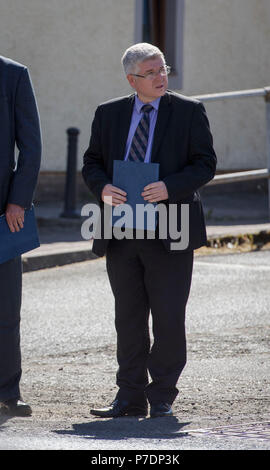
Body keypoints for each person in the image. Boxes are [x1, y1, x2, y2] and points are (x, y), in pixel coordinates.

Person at [82, 43, 217, 418]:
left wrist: (171, 187)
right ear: (132, 79)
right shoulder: (108, 114)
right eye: (152, 72)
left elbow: (205, 163)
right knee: (128, 316)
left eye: (164, 69)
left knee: (168, 315)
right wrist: (103, 188)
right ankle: (129, 396)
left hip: (171, 228)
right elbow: (92, 162)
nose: (161, 77)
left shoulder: (189, 111)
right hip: (122, 229)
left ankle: (161, 396)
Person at [0, 56, 41, 416]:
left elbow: (30, 146)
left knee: (5, 305)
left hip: (3, 212)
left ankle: (7, 392)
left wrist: (18, 201)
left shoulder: (13, 75)